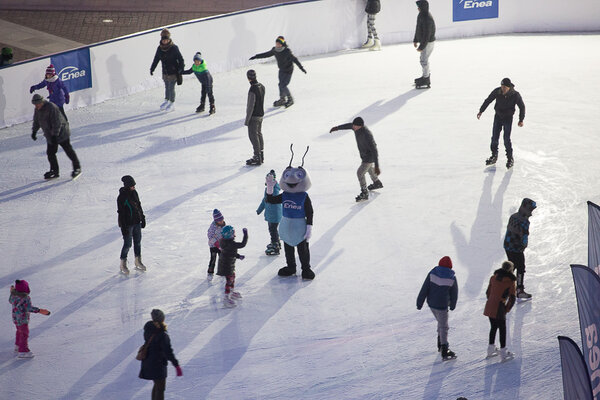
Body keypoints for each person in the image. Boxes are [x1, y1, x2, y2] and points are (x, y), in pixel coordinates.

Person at [329, 117, 382, 202]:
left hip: (369, 156)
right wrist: (337, 128)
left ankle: (364, 192)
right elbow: (348, 125)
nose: (353, 127)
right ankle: (377, 182)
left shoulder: (367, 134)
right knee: (368, 169)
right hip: (364, 155)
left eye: (355, 126)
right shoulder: (355, 127)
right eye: (353, 125)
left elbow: (374, 150)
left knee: (360, 173)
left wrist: (377, 165)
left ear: (360, 126)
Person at [416, 256, 458, 360]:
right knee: (444, 327)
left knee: (441, 323)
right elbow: (454, 293)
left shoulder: (432, 273)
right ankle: (444, 349)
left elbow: (424, 288)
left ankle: (440, 344)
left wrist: (419, 302)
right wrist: (452, 305)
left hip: (432, 304)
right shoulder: (452, 277)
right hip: (442, 305)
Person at [477, 78, 526, 168]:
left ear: (509, 87)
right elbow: (488, 100)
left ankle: (510, 159)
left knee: (506, 139)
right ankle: (494, 156)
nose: (502, 88)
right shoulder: (497, 91)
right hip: (498, 117)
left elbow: (522, 107)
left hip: (508, 118)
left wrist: (521, 120)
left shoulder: (515, 95)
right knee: (494, 138)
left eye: (504, 87)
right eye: (502, 86)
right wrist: (481, 111)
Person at [31, 94, 81, 179]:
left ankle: (77, 167)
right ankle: (54, 171)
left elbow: (57, 122)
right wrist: (34, 131)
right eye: (35, 104)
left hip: (61, 132)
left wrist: (55, 135)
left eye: (37, 104)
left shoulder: (51, 107)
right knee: (50, 153)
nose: (36, 106)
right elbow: (36, 120)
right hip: (50, 134)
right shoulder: (37, 109)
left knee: (68, 150)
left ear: (42, 102)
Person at [249, 35, 306, 108]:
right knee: (280, 85)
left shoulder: (287, 51)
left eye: (279, 44)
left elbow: (295, 59)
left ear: (282, 44)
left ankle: (290, 99)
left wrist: (301, 68)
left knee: (283, 85)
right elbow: (266, 54)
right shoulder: (274, 50)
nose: (277, 45)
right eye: (276, 43)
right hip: (281, 70)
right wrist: (256, 56)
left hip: (288, 70)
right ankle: (282, 99)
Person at [139, 309, 182, 400]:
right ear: (162, 319)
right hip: (158, 364)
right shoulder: (162, 335)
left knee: (157, 385)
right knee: (160, 388)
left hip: (148, 362)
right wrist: (176, 365)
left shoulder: (148, 329)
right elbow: (168, 352)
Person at [483, 261, 517, 361]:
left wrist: (492, 300)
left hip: (490, 305)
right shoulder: (510, 282)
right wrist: (506, 309)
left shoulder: (493, 278)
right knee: (502, 328)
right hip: (499, 306)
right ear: (511, 269)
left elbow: (488, 293)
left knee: (493, 327)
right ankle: (503, 353)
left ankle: (491, 349)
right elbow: (512, 298)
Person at [9, 280, 51, 358]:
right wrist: (39, 310)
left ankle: (17, 346)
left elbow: (10, 300)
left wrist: (11, 292)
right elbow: (28, 308)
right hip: (23, 319)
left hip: (15, 319)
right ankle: (23, 351)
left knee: (19, 332)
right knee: (24, 334)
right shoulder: (26, 298)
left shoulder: (14, 296)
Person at [504, 198, 536, 299]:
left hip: (507, 246)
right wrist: (524, 245)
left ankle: (506, 287)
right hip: (516, 248)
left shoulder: (513, 216)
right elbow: (524, 238)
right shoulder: (524, 221)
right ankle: (519, 290)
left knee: (512, 266)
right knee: (520, 267)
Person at [117, 175, 147, 275]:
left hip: (137, 222)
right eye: (132, 186)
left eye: (134, 185)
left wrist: (142, 218)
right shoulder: (122, 197)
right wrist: (124, 227)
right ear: (127, 186)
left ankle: (138, 261)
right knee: (128, 244)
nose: (134, 187)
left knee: (138, 242)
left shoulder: (134, 193)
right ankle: (123, 264)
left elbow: (139, 205)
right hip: (128, 225)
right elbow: (121, 213)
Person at [150, 28, 184, 112]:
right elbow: (156, 59)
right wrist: (152, 68)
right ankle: (167, 100)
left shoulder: (174, 48)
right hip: (165, 72)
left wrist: (181, 69)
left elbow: (181, 59)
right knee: (166, 87)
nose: (165, 41)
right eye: (164, 40)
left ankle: (172, 103)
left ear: (169, 39)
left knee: (171, 88)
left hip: (173, 72)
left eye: (166, 40)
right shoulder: (159, 48)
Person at [216, 225, 248, 307]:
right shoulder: (231, 244)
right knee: (229, 280)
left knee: (232, 277)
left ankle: (231, 292)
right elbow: (242, 244)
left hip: (226, 264)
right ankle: (226, 298)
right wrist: (245, 234)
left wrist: (238, 256)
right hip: (227, 266)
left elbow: (230, 253)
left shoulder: (223, 242)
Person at [257, 170, 283, 255]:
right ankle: (276, 243)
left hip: (274, 215)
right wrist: (259, 210)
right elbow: (265, 200)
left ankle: (275, 246)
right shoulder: (269, 189)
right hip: (272, 215)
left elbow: (270, 199)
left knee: (273, 230)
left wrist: (270, 187)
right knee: (273, 230)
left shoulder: (274, 190)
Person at [245, 69, 266, 166]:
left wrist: (247, 120)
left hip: (254, 116)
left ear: (248, 78)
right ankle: (261, 154)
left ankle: (257, 157)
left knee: (253, 136)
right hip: (261, 115)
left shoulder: (253, 89)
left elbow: (250, 106)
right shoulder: (262, 86)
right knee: (259, 134)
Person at [413, 0, 436, 88]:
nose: (417, 8)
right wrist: (415, 40)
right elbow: (418, 28)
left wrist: (421, 46)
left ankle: (426, 78)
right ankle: (425, 76)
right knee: (423, 59)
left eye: (419, 7)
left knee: (424, 60)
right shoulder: (421, 15)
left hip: (428, 42)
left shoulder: (427, 18)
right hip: (424, 42)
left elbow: (427, 34)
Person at [207, 209, 226, 274]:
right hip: (213, 246)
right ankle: (210, 270)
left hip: (220, 245)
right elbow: (209, 235)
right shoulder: (213, 227)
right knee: (213, 258)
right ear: (216, 221)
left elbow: (225, 232)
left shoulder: (223, 224)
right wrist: (215, 242)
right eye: (219, 221)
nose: (221, 221)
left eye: (222, 220)